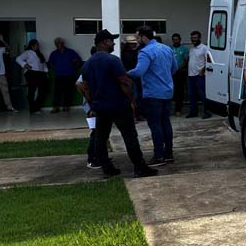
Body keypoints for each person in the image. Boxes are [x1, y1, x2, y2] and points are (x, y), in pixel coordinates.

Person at [78, 29, 157, 178]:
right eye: (111, 41)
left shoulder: (88, 63)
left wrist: (92, 104)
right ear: (105, 42)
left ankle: (107, 169)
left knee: (101, 137)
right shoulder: (112, 60)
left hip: (100, 107)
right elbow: (124, 82)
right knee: (129, 136)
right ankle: (139, 167)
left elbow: (84, 86)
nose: (114, 43)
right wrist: (133, 101)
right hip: (118, 105)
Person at [128, 26, 178, 165]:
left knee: (155, 125)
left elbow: (139, 72)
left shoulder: (145, 52)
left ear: (144, 37)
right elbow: (174, 68)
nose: (137, 41)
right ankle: (168, 154)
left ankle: (158, 156)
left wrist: (125, 73)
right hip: (167, 92)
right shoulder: (167, 48)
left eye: (138, 37)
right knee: (165, 123)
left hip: (153, 94)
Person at [76, 46, 99, 168]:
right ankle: (92, 158)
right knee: (95, 132)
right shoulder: (90, 67)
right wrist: (90, 103)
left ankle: (99, 155)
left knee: (100, 132)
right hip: (92, 107)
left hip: (94, 106)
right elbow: (79, 84)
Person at [48, 37, 81, 112]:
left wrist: (74, 69)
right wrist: (55, 67)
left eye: (59, 43)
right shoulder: (54, 53)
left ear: (63, 44)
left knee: (68, 91)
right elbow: (50, 63)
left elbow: (78, 60)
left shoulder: (70, 52)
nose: (58, 45)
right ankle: (55, 107)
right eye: (56, 43)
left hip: (70, 74)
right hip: (59, 75)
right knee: (57, 91)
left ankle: (66, 106)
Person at [16, 39, 49, 113]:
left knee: (45, 90)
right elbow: (18, 59)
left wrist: (46, 72)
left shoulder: (39, 53)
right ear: (32, 46)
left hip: (41, 73)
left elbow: (43, 64)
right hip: (31, 73)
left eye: (38, 45)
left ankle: (36, 106)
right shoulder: (27, 53)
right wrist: (25, 65)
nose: (38, 46)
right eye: (36, 45)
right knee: (32, 90)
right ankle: (32, 109)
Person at [187, 30, 211, 119]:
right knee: (191, 95)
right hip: (190, 76)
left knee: (202, 95)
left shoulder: (204, 48)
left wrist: (203, 69)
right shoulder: (191, 49)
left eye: (195, 38)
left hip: (200, 76)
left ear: (199, 38)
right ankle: (193, 112)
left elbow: (209, 61)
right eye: (192, 38)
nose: (193, 39)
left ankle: (207, 112)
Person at [171, 33, 189, 116]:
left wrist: (177, 69)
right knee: (171, 91)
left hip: (180, 73)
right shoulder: (170, 49)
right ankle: (170, 110)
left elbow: (185, 61)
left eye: (177, 39)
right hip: (171, 73)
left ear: (180, 39)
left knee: (180, 91)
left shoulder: (184, 49)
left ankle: (178, 109)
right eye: (174, 39)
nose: (175, 41)